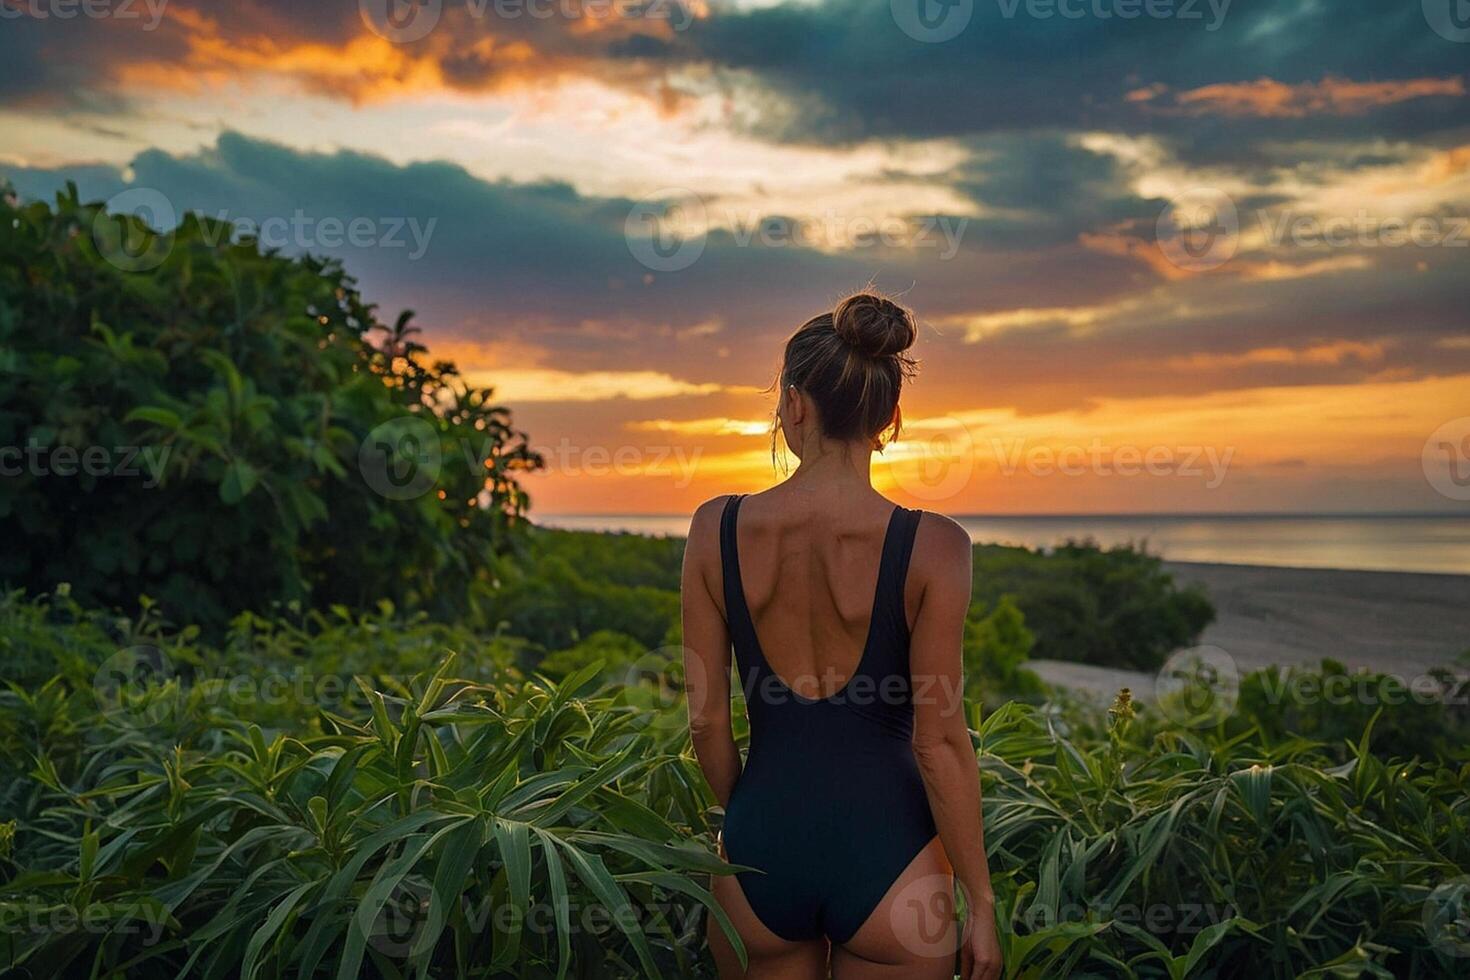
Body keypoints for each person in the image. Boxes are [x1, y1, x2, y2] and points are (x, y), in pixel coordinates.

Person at [680, 292, 1003, 979]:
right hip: (894, 861)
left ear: (795, 404)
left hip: (759, 852)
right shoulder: (936, 548)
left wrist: (749, 819)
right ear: (890, 416)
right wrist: (980, 901)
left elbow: (706, 721)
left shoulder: (715, 530)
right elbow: (940, 742)